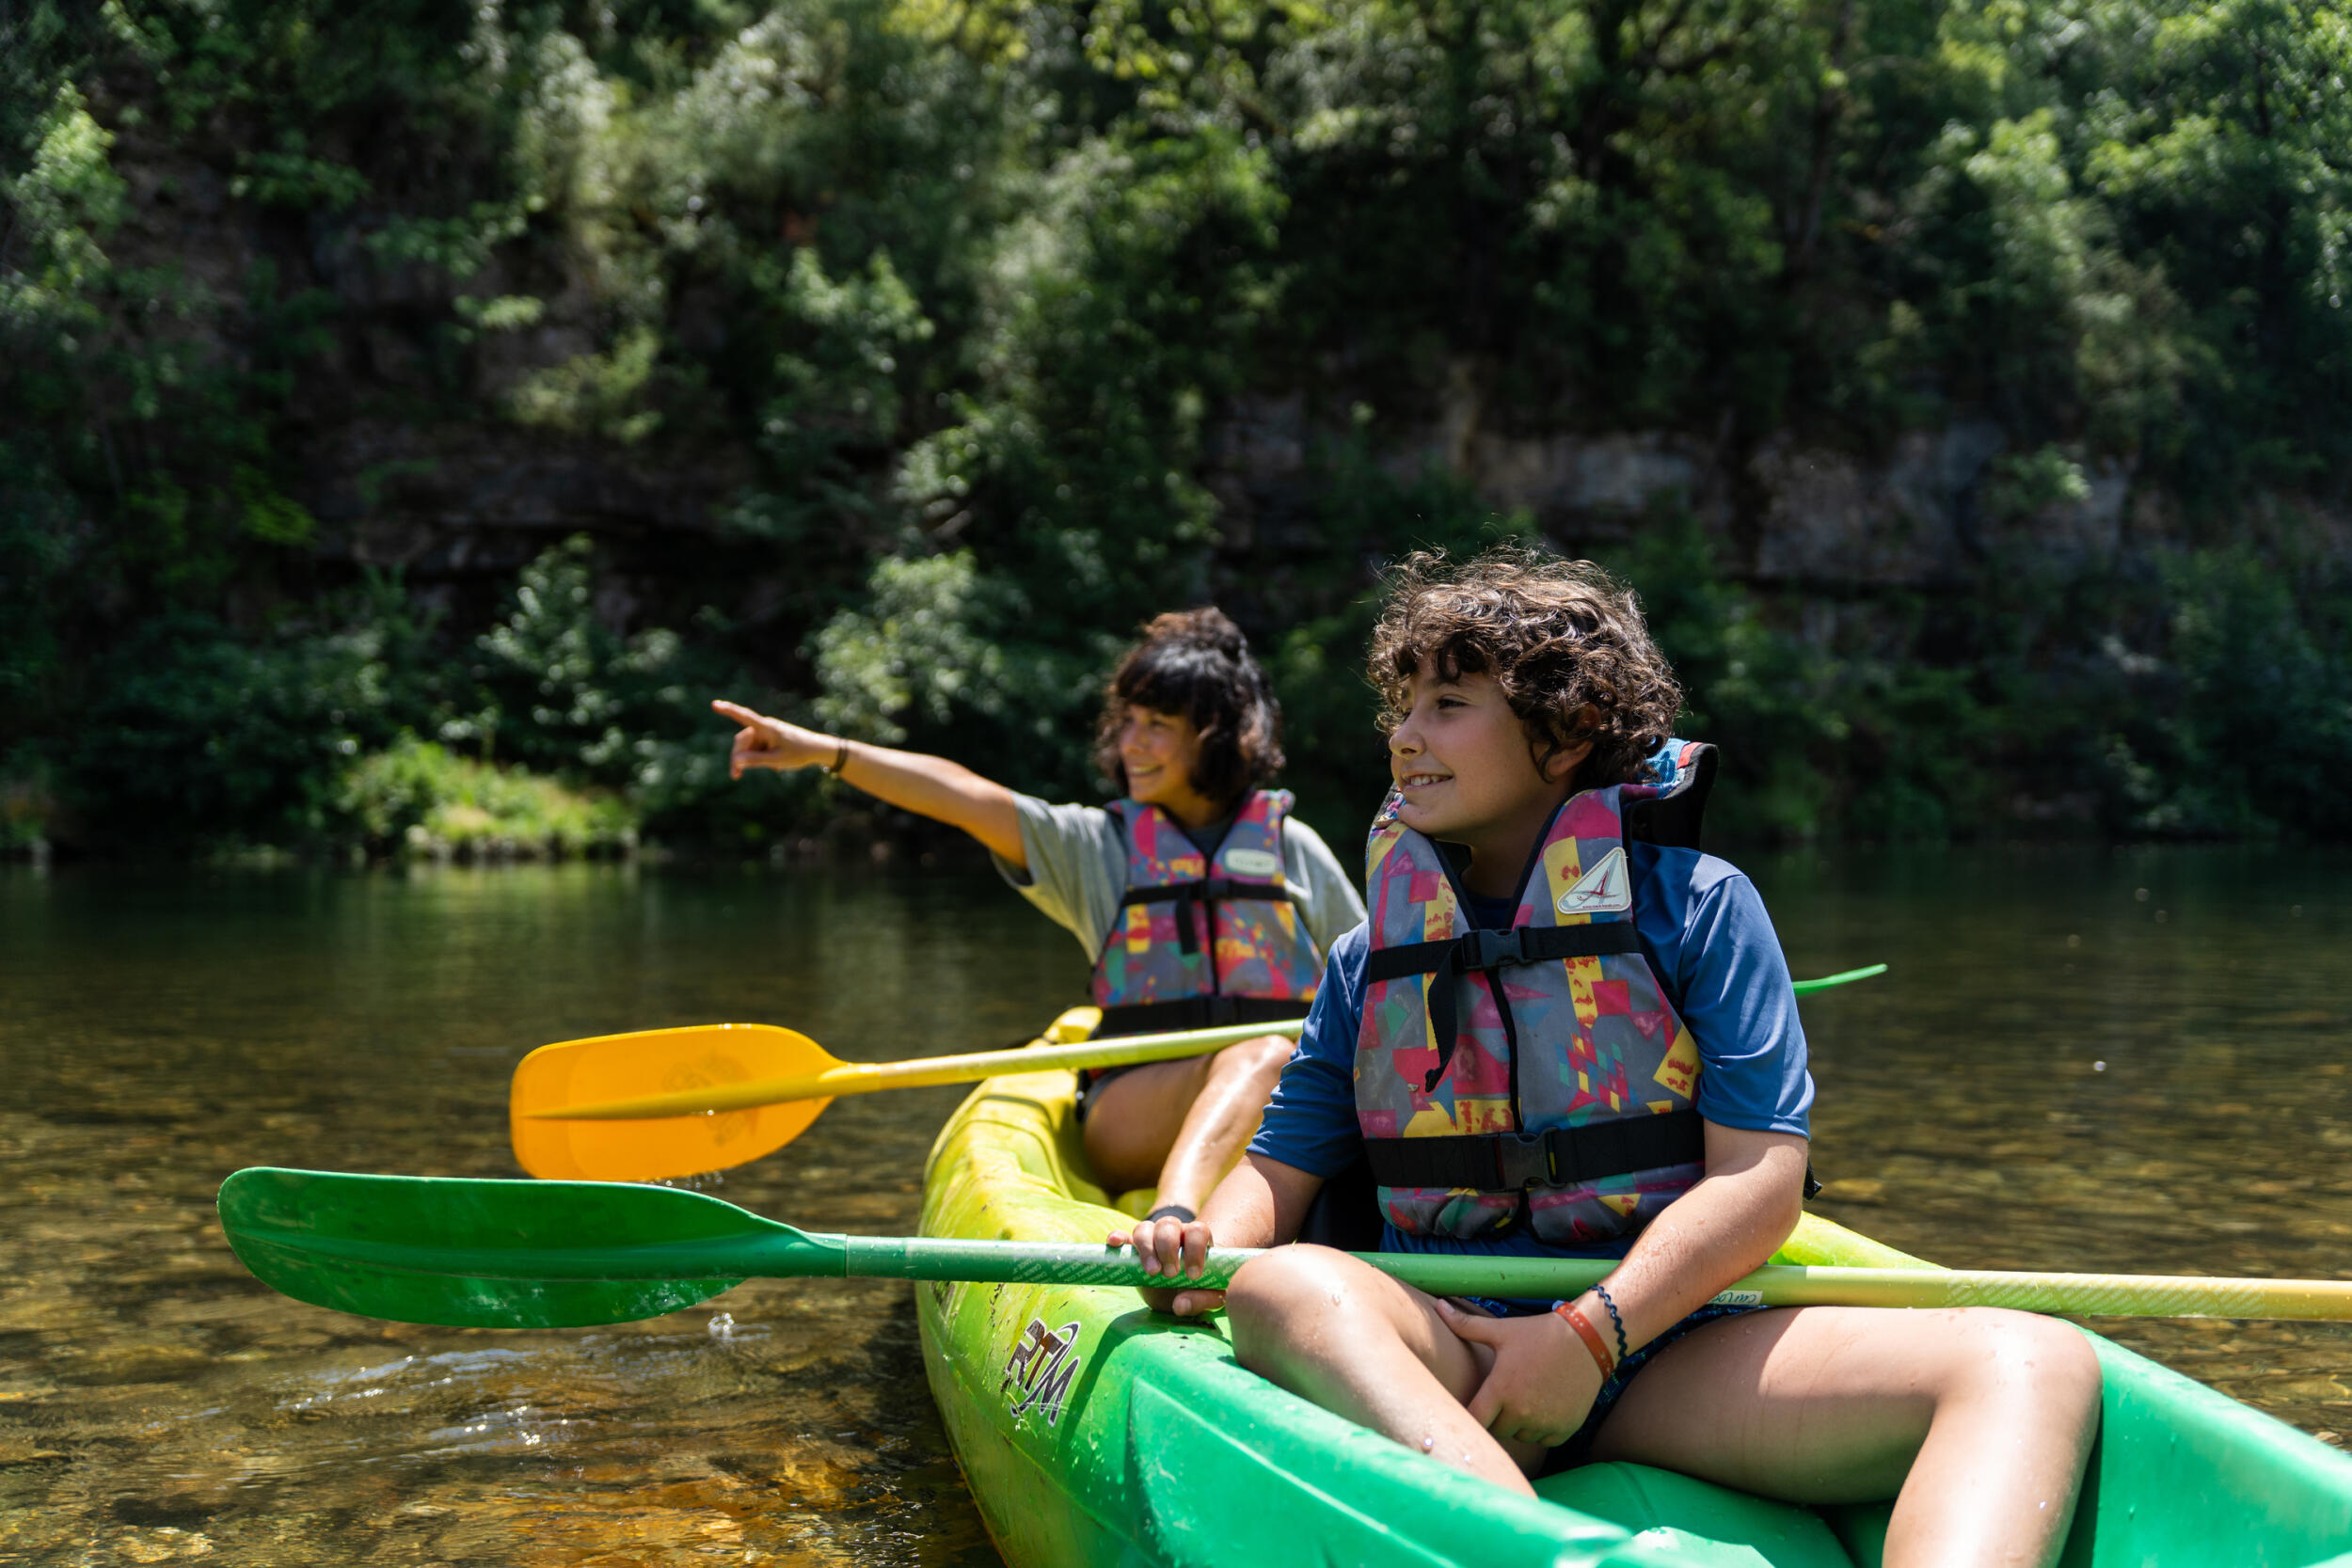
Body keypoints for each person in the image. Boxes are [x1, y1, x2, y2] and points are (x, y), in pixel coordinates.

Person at [1114, 550, 2101, 1568]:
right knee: (1281, 1289)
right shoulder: (1369, 960)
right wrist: (1203, 1241)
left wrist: (1588, 1337)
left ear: (1571, 730)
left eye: (1448, 704)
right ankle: (1533, 1542)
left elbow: (1760, 1182)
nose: (1405, 735)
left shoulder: (1701, 908)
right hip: (1451, 1344)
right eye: (1402, 708)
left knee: (2033, 1357)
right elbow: (1278, 1169)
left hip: (1670, 1342)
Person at [713, 608, 1364, 1221]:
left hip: (1284, 1111)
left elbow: (1370, 989)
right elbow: (962, 796)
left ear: (1214, 736)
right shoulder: (1095, 848)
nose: (1131, 743)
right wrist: (825, 751)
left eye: (1158, 725)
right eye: (1128, 721)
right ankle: (1176, 1217)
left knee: (1279, 1065)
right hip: (1135, 1108)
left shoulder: (1291, 847)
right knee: (1264, 1056)